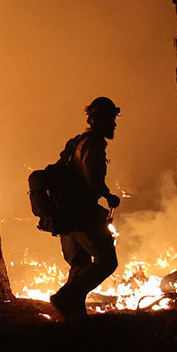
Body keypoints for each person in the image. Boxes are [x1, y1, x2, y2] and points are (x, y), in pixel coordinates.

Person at [49, 97, 122, 320]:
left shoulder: (77, 142)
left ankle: (74, 315)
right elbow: (92, 179)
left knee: (80, 263)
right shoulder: (94, 144)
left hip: (66, 212)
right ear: (98, 120)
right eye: (110, 119)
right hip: (82, 214)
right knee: (107, 261)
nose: (114, 125)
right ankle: (66, 297)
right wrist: (109, 195)